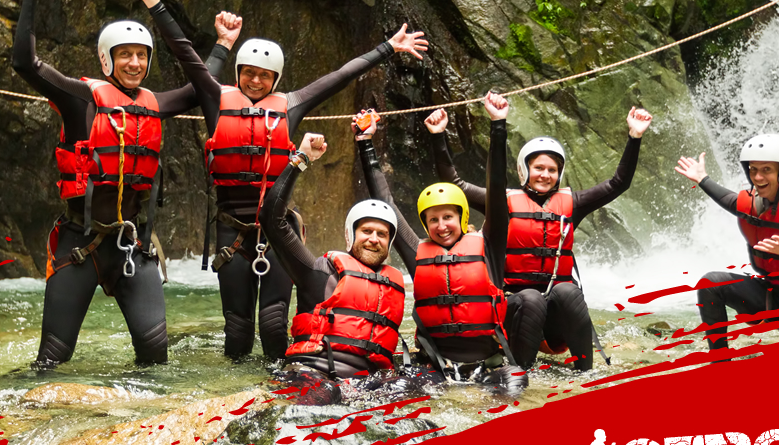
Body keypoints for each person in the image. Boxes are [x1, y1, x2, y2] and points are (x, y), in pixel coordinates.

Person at [179, 8, 427, 362]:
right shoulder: (217, 101)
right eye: (248, 73)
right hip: (231, 228)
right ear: (238, 74)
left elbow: (340, 76)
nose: (255, 81)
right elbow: (190, 62)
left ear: (275, 79)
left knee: (273, 322)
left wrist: (388, 47)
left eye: (265, 76)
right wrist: (158, 4)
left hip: (278, 229)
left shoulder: (292, 104)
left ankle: (276, 387)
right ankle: (234, 389)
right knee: (236, 326)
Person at [12, 0, 222, 366]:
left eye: (141, 55)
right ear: (107, 59)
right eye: (125, 55)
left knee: (155, 356)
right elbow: (25, 63)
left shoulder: (155, 104)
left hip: (132, 245)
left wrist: (216, 41)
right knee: (52, 359)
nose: (134, 63)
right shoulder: (80, 99)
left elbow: (203, 83)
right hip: (80, 243)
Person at [427, 105, 653, 370]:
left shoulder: (573, 203)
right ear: (525, 169)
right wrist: (438, 135)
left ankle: (585, 372)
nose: (545, 175)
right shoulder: (501, 203)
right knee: (531, 297)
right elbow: (455, 184)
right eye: (538, 168)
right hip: (513, 311)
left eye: (552, 170)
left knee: (568, 291)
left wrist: (635, 137)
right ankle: (519, 373)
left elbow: (618, 183)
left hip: (552, 320)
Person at [359, 93, 525, 390]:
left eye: (448, 217)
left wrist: (498, 124)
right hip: (435, 368)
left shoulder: (489, 245)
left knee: (515, 390)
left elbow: (496, 188)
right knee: (396, 392)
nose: (441, 226)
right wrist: (365, 142)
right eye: (433, 219)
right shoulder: (418, 252)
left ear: (462, 216)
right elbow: (385, 203)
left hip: (489, 368)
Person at [259, 124, 405, 379]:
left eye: (382, 234)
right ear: (351, 235)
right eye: (366, 231)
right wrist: (301, 159)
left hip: (368, 383)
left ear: (389, 241)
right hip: (314, 373)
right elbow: (271, 218)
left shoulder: (394, 283)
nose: (373, 239)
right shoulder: (318, 271)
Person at [675, 133, 779, 347]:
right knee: (711, 283)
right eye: (753, 169)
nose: (757, 177)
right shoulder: (754, 201)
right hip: (771, 296)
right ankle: (720, 362)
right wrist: (703, 179)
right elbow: (728, 200)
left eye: (766, 170)